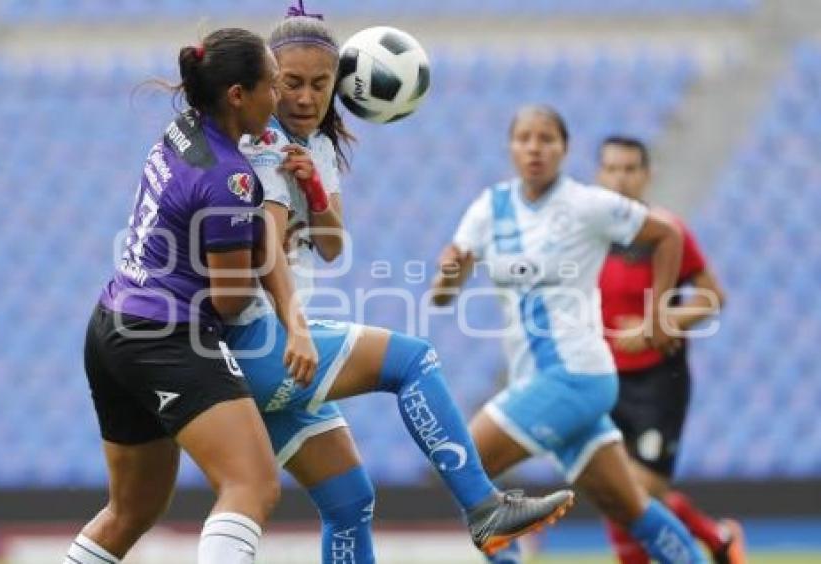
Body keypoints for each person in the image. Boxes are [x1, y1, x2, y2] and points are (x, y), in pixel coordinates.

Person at [226, 6, 575, 563]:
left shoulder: (314, 148)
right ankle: (484, 508)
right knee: (413, 361)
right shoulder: (253, 145)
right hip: (256, 342)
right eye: (291, 83)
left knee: (349, 501)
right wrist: (294, 323)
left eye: (320, 85)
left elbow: (333, 245)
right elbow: (257, 249)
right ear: (269, 81)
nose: (307, 97)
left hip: (275, 349)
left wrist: (314, 189)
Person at [63, 29, 306, 564]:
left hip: (112, 325)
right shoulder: (231, 179)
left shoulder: (179, 131)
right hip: (165, 336)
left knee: (132, 511)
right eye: (270, 85)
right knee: (253, 485)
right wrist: (270, 243)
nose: (280, 98)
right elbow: (230, 299)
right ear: (237, 94)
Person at [430, 105, 708, 564]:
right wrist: (448, 277)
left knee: (465, 461)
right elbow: (442, 296)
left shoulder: (586, 204)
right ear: (511, 146)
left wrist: (659, 313)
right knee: (631, 507)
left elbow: (667, 236)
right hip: (538, 381)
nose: (535, 148)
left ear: (565, 149)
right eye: (525, 138)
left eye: (546, 139)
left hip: (575, 373)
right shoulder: (489, 208)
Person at [597, 136, 745, 564]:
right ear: (598, 175)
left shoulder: (666, 234)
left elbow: (713, 297)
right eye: (611, 169)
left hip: (656, 381)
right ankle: (716, 538)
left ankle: (712, 539)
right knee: (611, 488)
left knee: (641, 493)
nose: (620, 179)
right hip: (602, 379)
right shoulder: (586, 237)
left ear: (647, 176)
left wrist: (656, 324)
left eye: (629, 169)